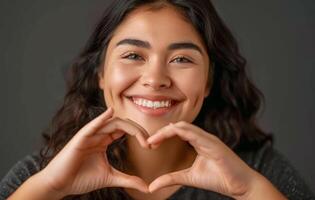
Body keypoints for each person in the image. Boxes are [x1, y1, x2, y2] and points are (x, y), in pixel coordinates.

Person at [1, 0, 314, 199]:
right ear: (100, 74)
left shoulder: (259, 171)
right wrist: (50, 189)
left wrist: (251, 190)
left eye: (181, 59)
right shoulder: (40, 175)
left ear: (209, 82)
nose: (155, 79)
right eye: (133, 55)